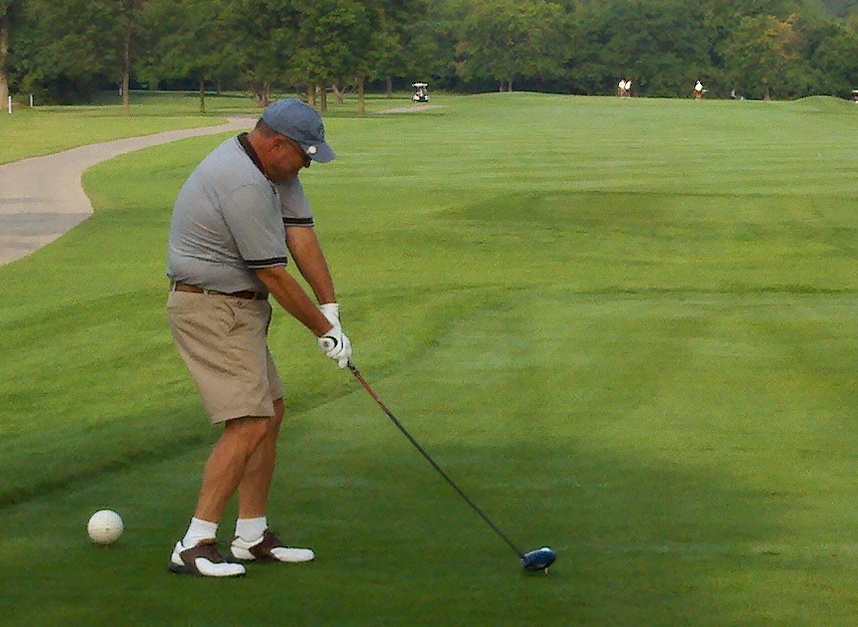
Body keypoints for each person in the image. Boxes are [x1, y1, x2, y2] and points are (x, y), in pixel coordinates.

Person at [164, 98, 352, 577]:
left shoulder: (275, 171)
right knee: (248, 420)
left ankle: (251, 534)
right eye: (304, 154)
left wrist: (330, 306)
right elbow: (272, 273)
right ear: (276, 144)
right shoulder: (243, 181)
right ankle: (195, 542)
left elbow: (301, 234)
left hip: (239, 308)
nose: (308, 163)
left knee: (271, 411)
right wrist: (323, 330)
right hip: (210, 305)